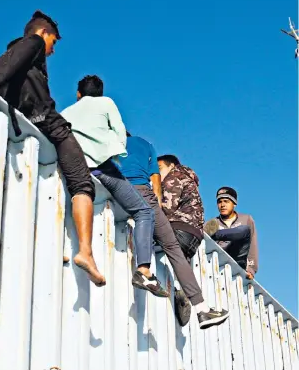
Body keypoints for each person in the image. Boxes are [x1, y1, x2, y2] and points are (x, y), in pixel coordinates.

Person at [0, 10, 105, 286]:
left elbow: (10, 65)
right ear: (44, 34)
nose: (51, 51)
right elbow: (11, 61)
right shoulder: (33, 43)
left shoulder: (21, 56)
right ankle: (85, 251)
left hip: (30, 126)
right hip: (49, 124)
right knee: (82, 183)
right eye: (54, 43)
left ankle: (63, 242)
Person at [61, 75, 169, 298]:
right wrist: (115, 153)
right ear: (100, 93)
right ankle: (144, 270)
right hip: (101, 168)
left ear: (78, 94)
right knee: (143, 212)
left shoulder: (67, 112)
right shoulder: (106, 103)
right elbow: (120, 134)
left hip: (75, 166)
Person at [119, 139, 229, 329]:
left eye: (159, 168)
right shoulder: (191, 183)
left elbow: (164, 208)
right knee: (178, 259)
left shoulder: (175, 177)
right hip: (193, 238)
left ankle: (182, 293)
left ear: (171, 166)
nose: (157, 173)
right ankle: (191, 299)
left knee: (158, 234)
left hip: (178, 230)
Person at [204, 187, 259, 280]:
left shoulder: (246, 219)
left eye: (226, 201)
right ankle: (209, 235)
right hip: (220, 258)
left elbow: (253, 245)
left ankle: (216, 234)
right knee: (205, 234)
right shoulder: (212, 223)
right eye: (219, 202)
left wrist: (251, 270)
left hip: (238, 258)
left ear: (234, 203)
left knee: (244, 230)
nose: (222, 205)